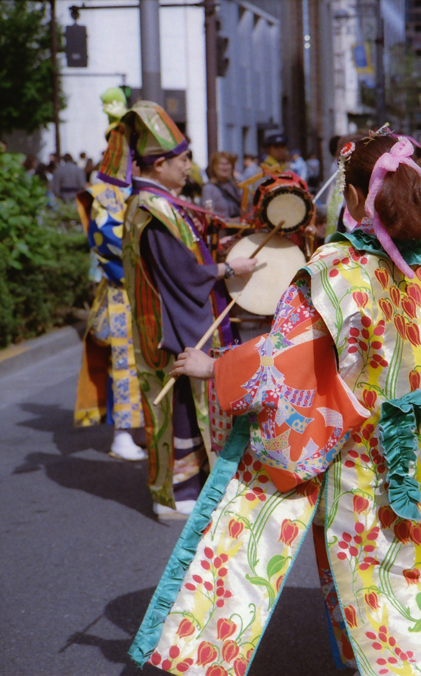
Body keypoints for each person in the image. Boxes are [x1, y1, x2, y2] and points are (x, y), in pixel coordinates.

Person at [129, 130, 421, 676]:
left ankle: (415, 663)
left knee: (375, 565)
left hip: (366, 447)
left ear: (354, 199)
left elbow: (291, 357)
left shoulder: (339, 269)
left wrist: (217, 367)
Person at [100, 101, 256, 519]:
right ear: (161, 164)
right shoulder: (153, 208)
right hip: (173, 326)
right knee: (180, 412)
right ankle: (176, 493)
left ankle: (193, 486)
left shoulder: (158, 202)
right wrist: (227, 267)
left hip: (177, 320)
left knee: (189, 408)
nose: (190, 166)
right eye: (184, 159)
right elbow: (182, 273)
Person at [74, 89, 146, 461]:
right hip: (122, 288)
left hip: (145, 288)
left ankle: (142, 428)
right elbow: (107, 242)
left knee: (147, 361)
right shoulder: (103, 192)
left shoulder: (138, 187)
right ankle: (122, 433)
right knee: (124, 362)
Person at [202, 151, 243, 219]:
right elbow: (208, 215)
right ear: (214, 167)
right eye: (221, 164)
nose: (225, 167)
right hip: (222, 228)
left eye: (228, 164)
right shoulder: (209, 188)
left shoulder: (236, 185)